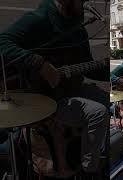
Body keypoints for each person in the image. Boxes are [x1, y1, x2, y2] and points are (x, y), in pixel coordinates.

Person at [0, 0, 108, 178]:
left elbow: (90, 66)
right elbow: (2, 43)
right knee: (98, 113)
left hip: (72, 89)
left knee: (108, 99)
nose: (84, 5)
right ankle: (90, 168)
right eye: (81, 1)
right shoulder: (39, 19)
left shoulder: (78, 29)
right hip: (45, 98)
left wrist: (108, 69)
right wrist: (39, 63)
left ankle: (101, 149)